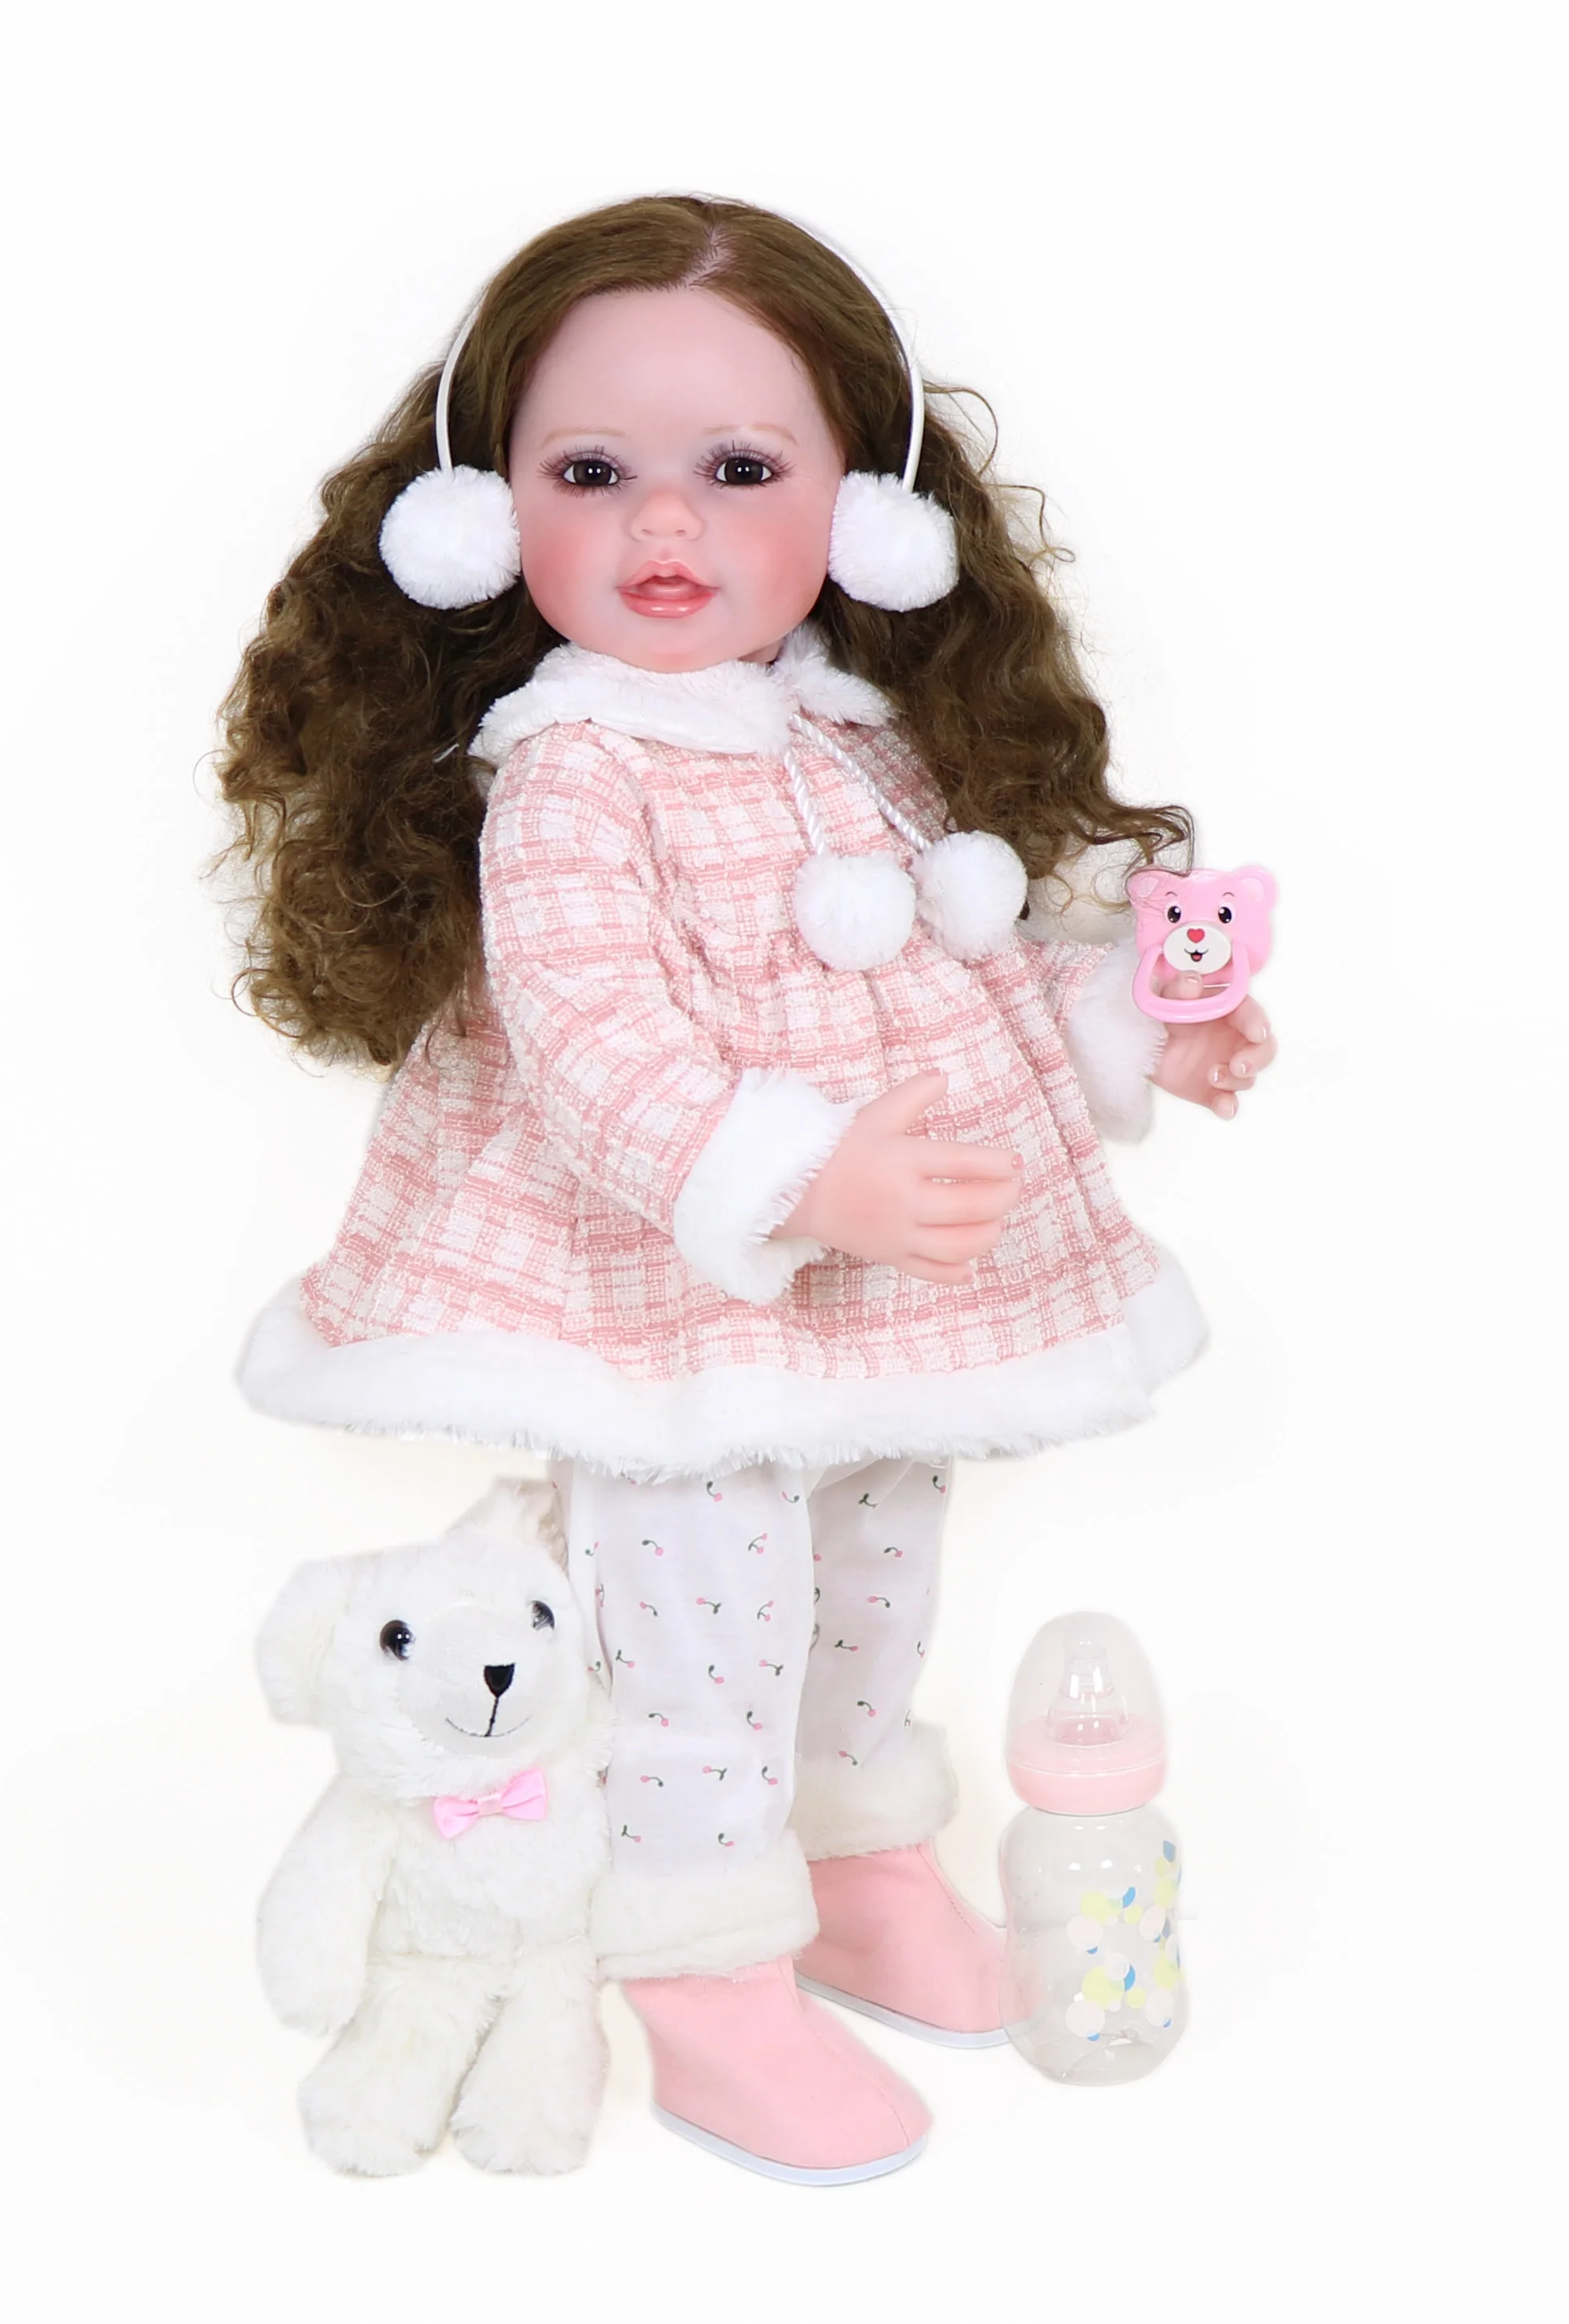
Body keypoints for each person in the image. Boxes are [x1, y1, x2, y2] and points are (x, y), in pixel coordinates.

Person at [218, 193, 1276, 2185]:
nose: (663, 527)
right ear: (478, 513)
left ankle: (856, 1852)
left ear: (861, 508)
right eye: (587, 473)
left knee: (874, 1557)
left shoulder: (850, 735)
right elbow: (599, 1040)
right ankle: (701, 1961)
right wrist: (794, 1171)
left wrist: (1138, 1027)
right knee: (698, 1599)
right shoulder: (573, 770)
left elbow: (955, 961)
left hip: (873, 1280)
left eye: (738, 470)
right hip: (667, 1280)